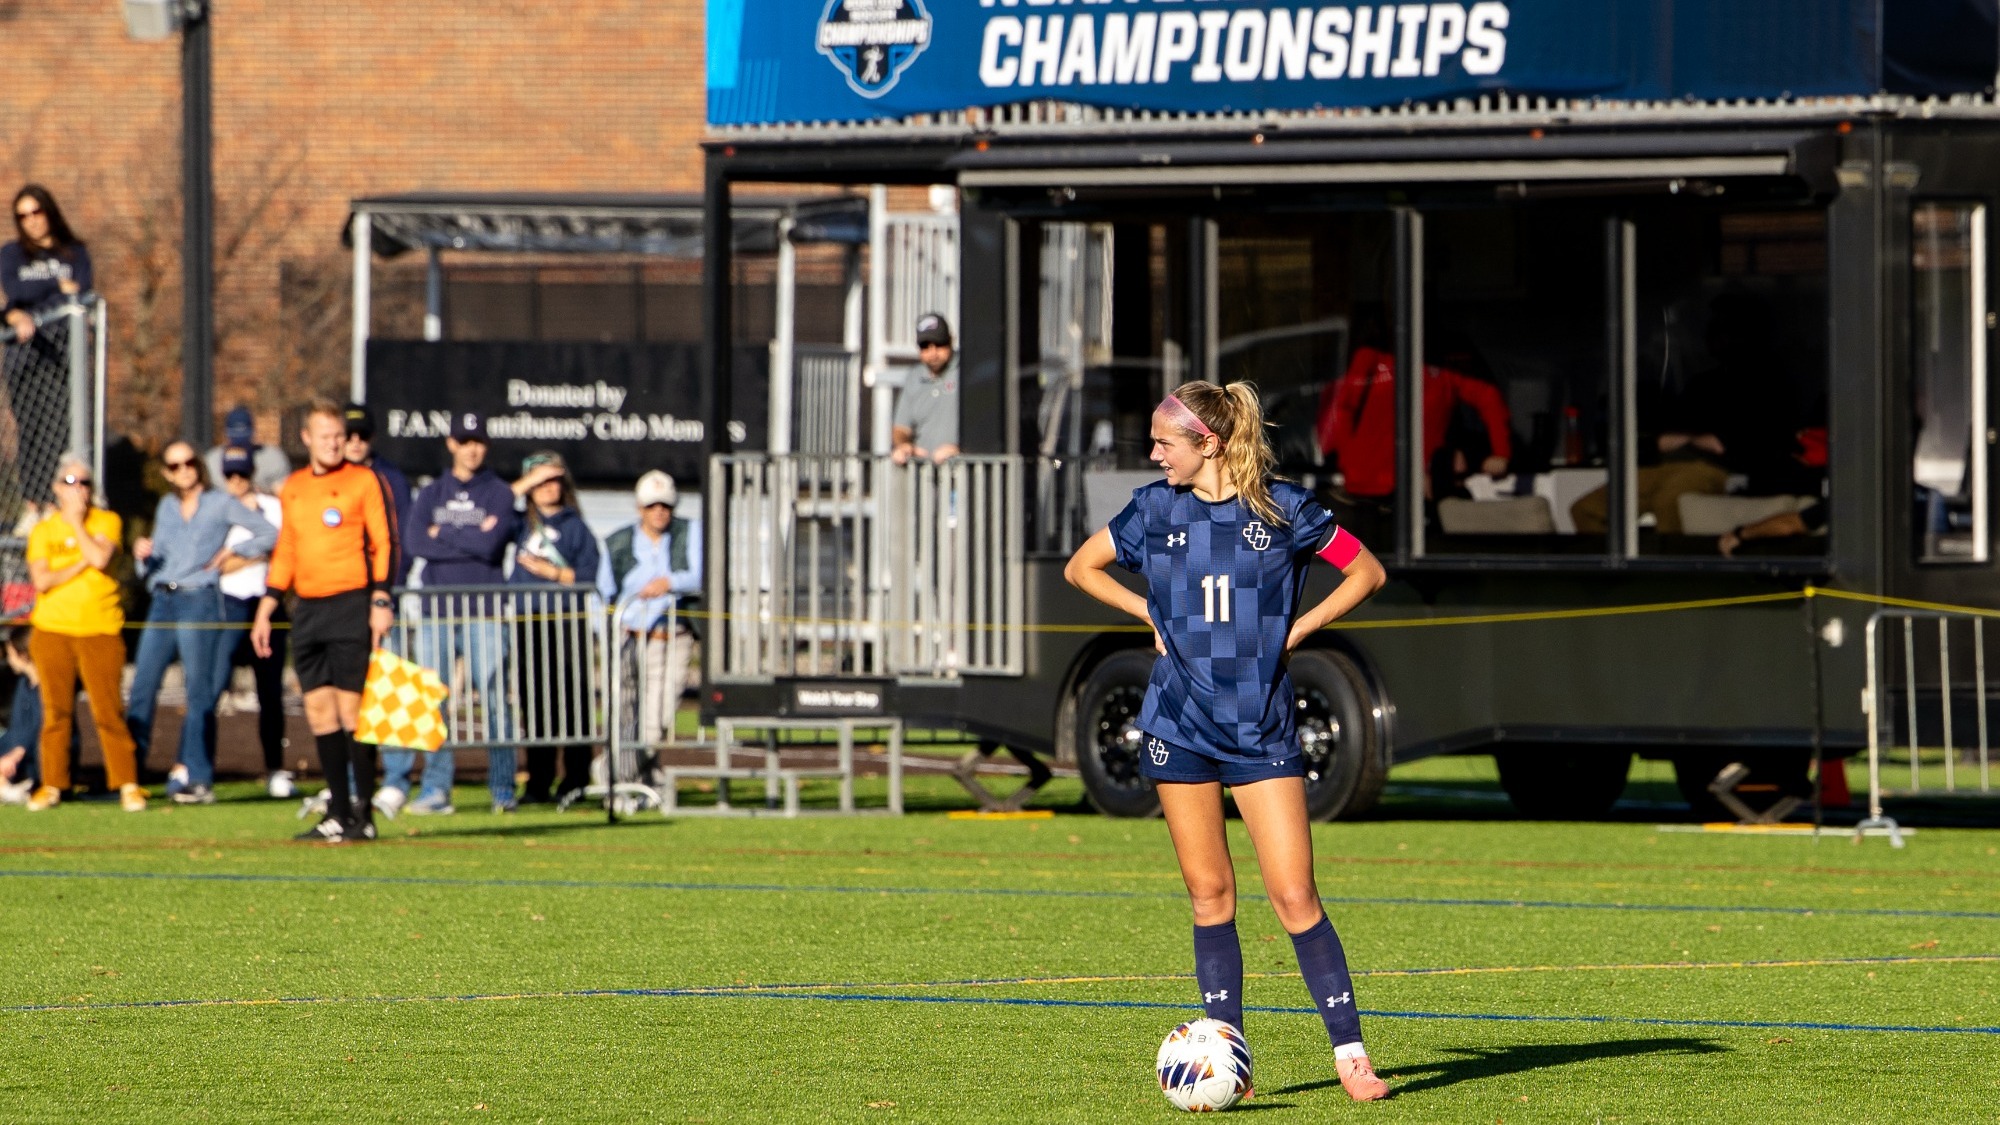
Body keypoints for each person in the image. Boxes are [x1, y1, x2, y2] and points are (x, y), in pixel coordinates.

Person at [1064, 381, 1392, 1103]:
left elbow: (1367, 570)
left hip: (1259, 727)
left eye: (1163, 443)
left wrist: (1301, 629)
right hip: (1177, 726)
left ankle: (1352, 1056)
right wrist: (1145, 607)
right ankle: (1227, 1059)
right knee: (1210, 893)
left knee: (1294, 894)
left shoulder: (1284, 508)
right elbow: (1081, 567)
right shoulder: (1154, 508)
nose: (1153, 454)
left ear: (1207, 442)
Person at [251, 401, 396, 843]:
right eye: (326, 436)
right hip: (309, 609)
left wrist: (381, 597)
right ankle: (335, 810)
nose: (336, 443)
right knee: (319, 711)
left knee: (353, 710)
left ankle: (363, 813)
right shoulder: (293, 488)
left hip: (351, 603)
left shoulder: (364, 480)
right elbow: (288, 548)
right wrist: (268, 604)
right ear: (307, 439)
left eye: (340, 436)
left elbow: (384, 540)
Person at [126, 440, 277, 805]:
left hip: (199, 600)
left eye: (189, 463)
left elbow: (269, 533)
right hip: (163, 599)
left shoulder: (220, 503)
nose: (183, 471)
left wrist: (233, 551)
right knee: (143, 687)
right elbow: (156, 559)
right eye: (174, 466)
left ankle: (198, 776)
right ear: (166, 473)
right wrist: (142, 555)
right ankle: (128, 777)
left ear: (199, 465)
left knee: (199, 692)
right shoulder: (166, 506)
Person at [389, 410, 519, 815]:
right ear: (451, 445)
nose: (472, 449)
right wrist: (467, 536)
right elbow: (415, 541)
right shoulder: (430, 493)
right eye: (464, 442)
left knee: (494, 698)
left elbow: (492, 546)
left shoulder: (499, 492)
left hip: (484, 610)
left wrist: (441, 533)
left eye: (478, 441)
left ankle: (502, 788)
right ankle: (435, 789)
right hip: (436, 611)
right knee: (433, 701)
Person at [23, 456, 145, 812]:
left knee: (108, 712)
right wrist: (79, 563)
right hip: (52, 630)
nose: (79, 489)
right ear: (56, 488)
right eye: (71, 481)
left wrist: (77, 525)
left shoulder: (107, 521)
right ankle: (53, 784)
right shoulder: (43, 530)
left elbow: (100, 557)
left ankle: (127, 783)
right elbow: (42, 580)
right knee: (55, 713)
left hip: (100, 628)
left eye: (85, 482)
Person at [1315, 344, 1512, 508]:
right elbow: (1341, 408)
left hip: (1416, 491)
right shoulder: (1370, 359)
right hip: (1364, 488)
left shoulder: (1442, 372)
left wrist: (1501, 453)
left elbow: (1487, 397)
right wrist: (1347, 460)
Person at [509, 451, 600, 805]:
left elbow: (590, 575)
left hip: (566, 620)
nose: (547, 488)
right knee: (535, 704)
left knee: (574, 702)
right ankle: (538, 783)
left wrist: (554, 574)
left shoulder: (576, 526)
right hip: (529, 620)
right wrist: (525, 483)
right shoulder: (517, 522)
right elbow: (494, 506)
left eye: (553, 480)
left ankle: (576, 781)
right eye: (539, 481)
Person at [3, 186, 93, 516]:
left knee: (63, 431)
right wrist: (56, 287)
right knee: (31, 431)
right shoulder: (13, 254)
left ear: (49, 212)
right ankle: (32, 506)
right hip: (25, 358)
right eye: (22, 216)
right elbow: (15, 289)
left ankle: (59, 504)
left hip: (64, 355)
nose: (31, 221)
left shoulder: (74, 253)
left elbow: (82, 290)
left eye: (36, 212)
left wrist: (32, 302)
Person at [599, 469, 701, 761]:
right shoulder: (616, 542)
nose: (659, 512)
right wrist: (606, 635)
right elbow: (603, 593)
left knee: (658, 718)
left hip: (671, 638)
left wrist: (670, 582)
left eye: (665, 506)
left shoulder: (690, 531)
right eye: (652, 506)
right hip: (627, 637)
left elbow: (702, 574)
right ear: (639, 508)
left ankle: (615, 773)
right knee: (623, 713)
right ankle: (636, 778)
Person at [212, 447, 293, 798]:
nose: (236, 482)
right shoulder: (217, 511)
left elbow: (285, 552)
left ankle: (275, 768)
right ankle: (198, 768)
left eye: (242, 475)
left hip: (268, 603)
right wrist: (256, 554)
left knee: (270, 691)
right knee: (212, 687)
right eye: (230, 475)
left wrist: (242, 556)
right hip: (229, 604)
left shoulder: (273, 508)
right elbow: (217, 564)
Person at [342, 402, 414, 586]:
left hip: (381, 582)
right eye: (348, 436)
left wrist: (393, 582)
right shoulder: (327, 477)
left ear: (372, 437)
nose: (356, 441)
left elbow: (403, 536)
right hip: (339, 586)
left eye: (363, 435)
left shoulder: (392, 479)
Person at [890, 312, 961, 466]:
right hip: (925, 475)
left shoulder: (965, 372)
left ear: (951, 341)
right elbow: (901, 428)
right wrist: (904, 446)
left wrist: (958, 449)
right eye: (925, 347)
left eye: (939, 344)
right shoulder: (914, 377)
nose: (932, 353)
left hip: (961, 473)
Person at [203, 406, 293, 496]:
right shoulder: (211, 461)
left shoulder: (272, 458)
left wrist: (259, 493)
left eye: (244, 437)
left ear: (253, 432)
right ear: (225, 434)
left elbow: (284, 496)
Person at [0, 624, 43, 804]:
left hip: (35, 755)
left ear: (23, 655)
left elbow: (40, 727)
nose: (9, 661)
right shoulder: (23, 684)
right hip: (18, 750)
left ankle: (17, 788)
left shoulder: (48, 689)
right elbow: (16, 727)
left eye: (10, 655)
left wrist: (17, 752)